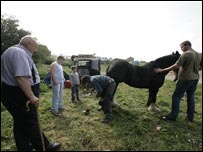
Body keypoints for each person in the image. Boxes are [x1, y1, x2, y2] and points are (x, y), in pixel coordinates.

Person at [1, 35, 61, 151]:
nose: (36, 50)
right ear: (29, 44)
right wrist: (31, 96)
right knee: (31, 121)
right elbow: (22, 77)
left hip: (12, 92)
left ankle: (24, 147)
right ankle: (45, 147)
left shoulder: (11, 51)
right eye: (35, 47)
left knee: (20, 121)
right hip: (20, 94)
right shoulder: (19, 53)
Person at [154, 40, 202, 122]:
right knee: (190, 97)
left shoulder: (186, 54)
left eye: (182, 47)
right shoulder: (199, 54)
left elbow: (176, 66)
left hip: (185, 79)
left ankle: (173, 116)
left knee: (176, 96)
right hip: (195, 79)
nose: (181, 49)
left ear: (186, 45)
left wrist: (162, 70)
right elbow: (200, 67)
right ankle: (190, 117)